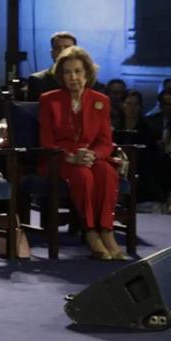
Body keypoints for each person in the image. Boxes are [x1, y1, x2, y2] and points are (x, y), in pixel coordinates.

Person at [37, 46, 124, 260]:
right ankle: (91, 231)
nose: (73, 77)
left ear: (87, 73)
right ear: (61, 75)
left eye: (77, 71)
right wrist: (71, 157)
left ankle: (107, 230)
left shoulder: (100, 101)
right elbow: (47, 142)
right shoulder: (49, 100)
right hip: (59, 158)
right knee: (82, 175)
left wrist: (93, 155)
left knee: (107, 172)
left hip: (90, 156)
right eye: (67, 72)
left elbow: (105, 142)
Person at [23, 32, 78, 99]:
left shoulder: (87, 80)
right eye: (57, 48)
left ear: (76, 52)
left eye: (67, 47)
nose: (62, 51)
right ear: (52, 53)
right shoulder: (37, 81)